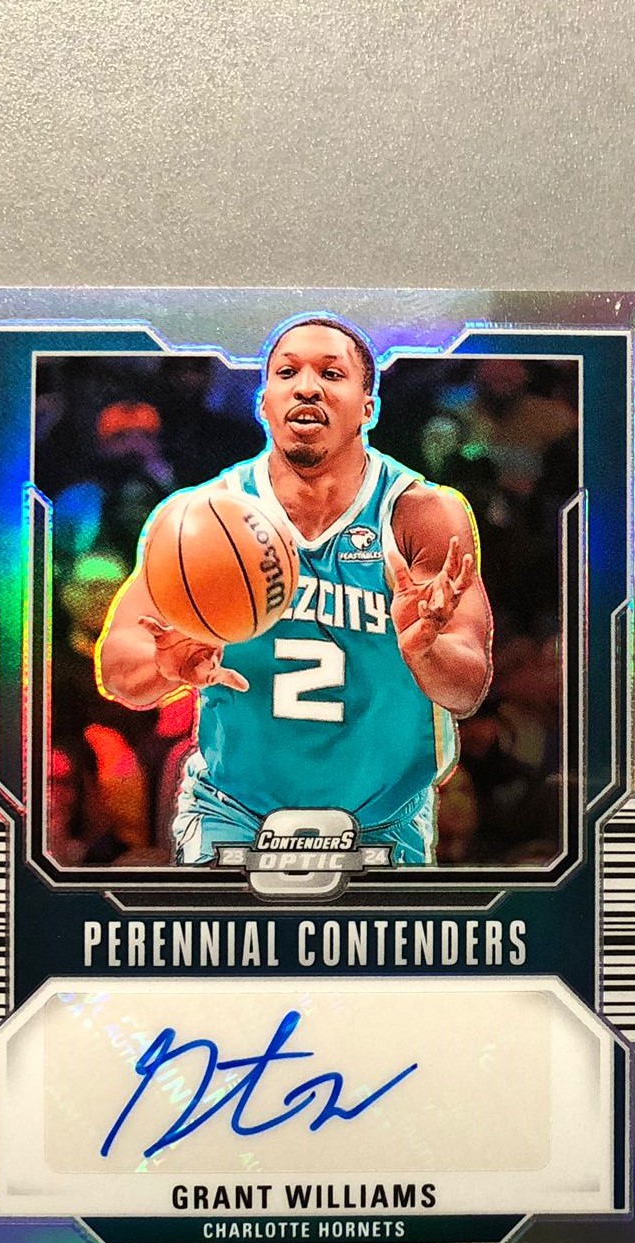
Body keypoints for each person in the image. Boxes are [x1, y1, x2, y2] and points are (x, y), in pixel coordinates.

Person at [95, 315, 494, 865]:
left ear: (368, 407)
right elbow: (120, 666)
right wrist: (167, 666)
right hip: (231, 813)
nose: (307, 386)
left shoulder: (419, 514)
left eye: (331, 373)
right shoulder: (199, 520)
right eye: (287, 372)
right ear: (263, 403)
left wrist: (425, 650)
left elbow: (467, 688)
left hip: (380, 821)